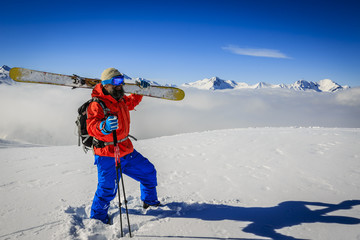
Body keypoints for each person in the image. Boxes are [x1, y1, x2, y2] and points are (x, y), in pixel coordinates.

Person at [87, 67, 160, 224]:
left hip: (126, 150)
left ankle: (151, 203)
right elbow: (91, 126)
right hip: (107, 154)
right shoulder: (97, 104)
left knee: (148, 172)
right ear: (106, 84)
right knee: (107, 190)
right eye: (116, 82)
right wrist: (103, 127)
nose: (120, 86)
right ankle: (97, 220)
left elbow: (132, 102)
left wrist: (140, 91)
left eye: (121, 82)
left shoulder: (120, 99)